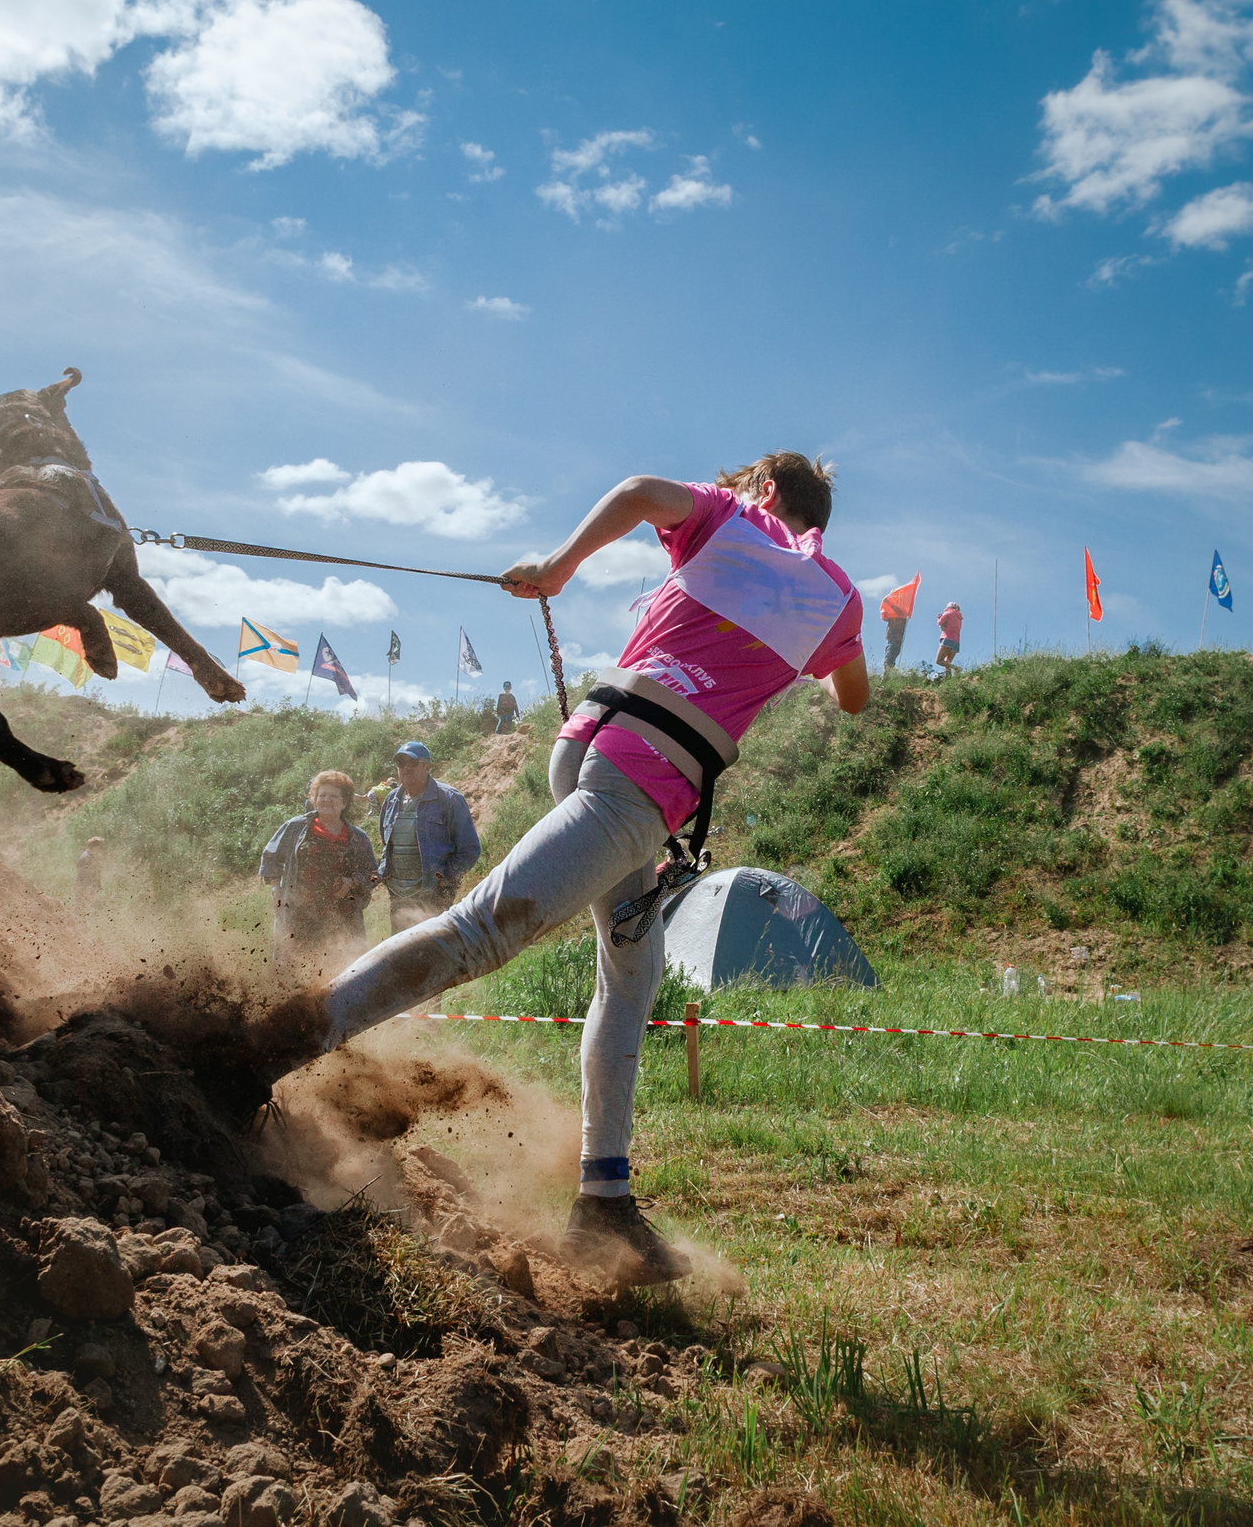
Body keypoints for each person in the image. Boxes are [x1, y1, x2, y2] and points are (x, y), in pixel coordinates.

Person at [241, 452, 868, 1285]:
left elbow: (644, 492)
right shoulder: (836, 597)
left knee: (629, 980)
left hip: (593, 745)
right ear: (817, 513)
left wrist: (556, 567)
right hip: (639, 785)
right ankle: (263, 1052)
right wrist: (821, 657)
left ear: (764, 491)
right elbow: (852, 697)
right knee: (480, 934)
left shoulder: (728, 516)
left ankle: (604, 1201)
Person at [258, 771, 378, 962]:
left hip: (343, 919)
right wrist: (276, 891)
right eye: (322, 795)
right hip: (299, 916)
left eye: (334, 796)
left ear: (345, 802)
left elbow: (373, 873)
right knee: (293, 970)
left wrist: (352, 882)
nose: (326, 800)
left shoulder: (357, 837)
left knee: (341, 971)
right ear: (314, 799)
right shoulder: (296, 828)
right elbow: (271, 857)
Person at [372, 743, 481, 930]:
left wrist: (446, 879)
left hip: (432, 896)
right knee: (401, 954)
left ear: (427, 767)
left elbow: (470, 849)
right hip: (398, 897)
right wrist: (383, 874)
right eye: (401, 762)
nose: (406, 767)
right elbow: (387, 845)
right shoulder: (391, 801)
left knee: (434, 952)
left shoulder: (449, 799)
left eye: (412, 762)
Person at [936, 600, 964, 676]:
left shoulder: (948, 612)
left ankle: (957, 668)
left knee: (939, 661)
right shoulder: (959, 618)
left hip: (948, 638)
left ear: (948, 607)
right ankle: (948, 679)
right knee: (947, 662)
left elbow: (940, 622)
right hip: (956, 642)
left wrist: (939, 618)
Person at [74, 837, 105, 906]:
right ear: (95, 846)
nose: (101, 848)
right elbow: (82, 873)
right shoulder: (85, 857)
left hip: (90, 885)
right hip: (84, 885)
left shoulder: (92, 856)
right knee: (81, 904)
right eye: (99, 846)